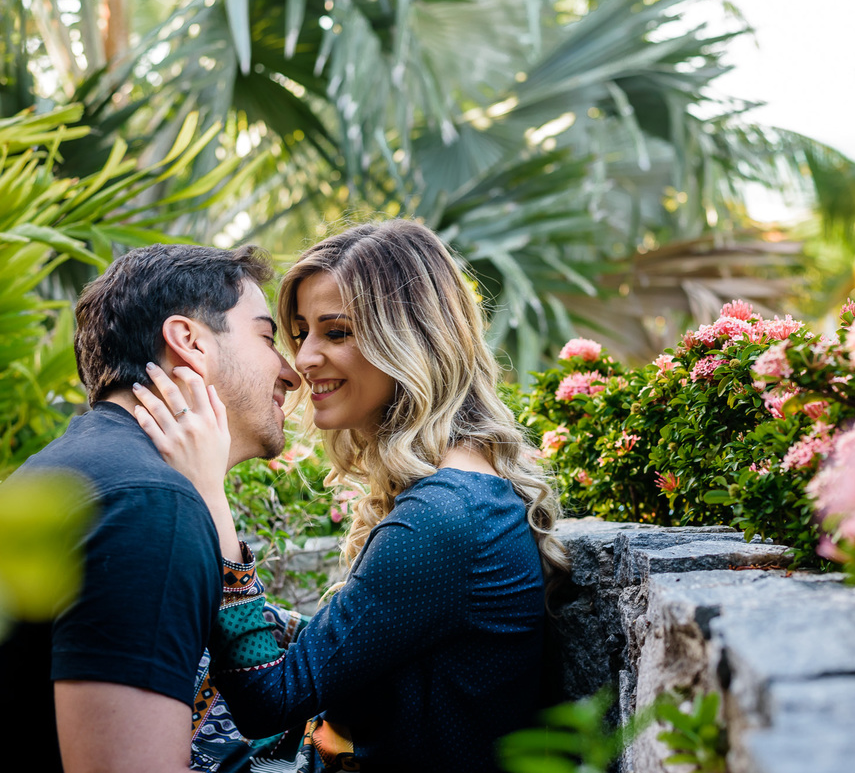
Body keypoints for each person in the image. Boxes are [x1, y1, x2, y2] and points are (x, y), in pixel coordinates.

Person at [134, 219, 570, 772]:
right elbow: (357, 640)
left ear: (411, 342)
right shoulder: (459, 492)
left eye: (335, 332)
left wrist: (209, 491)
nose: (304, 359)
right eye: (299, 333)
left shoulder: (447, 516)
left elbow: (269, 700)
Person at [1, 244, 301, 772]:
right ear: (189, 342)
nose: (290, 373)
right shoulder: (149, 503)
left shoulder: (73, 469)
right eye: (266, 336)